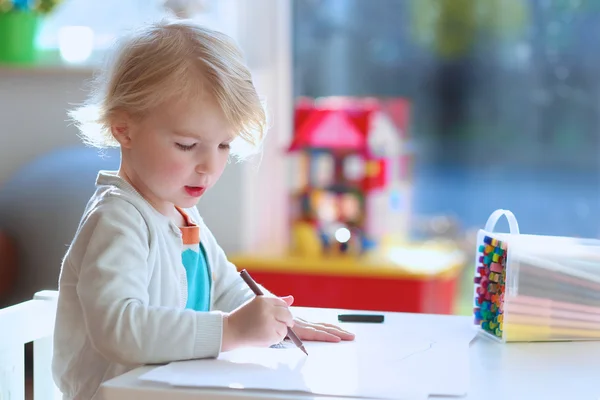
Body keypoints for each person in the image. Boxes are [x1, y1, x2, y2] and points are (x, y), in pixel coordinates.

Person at [51, 19, 354, 400]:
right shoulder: (118, 220)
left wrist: (272, 319)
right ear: (124, 129)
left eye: (224, 145)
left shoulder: (181, 211)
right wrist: (232, 331)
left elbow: (226, 288)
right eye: (186, 144)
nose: (210, 167)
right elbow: (119, 328)